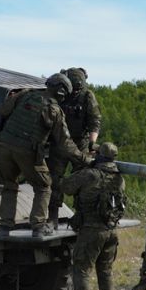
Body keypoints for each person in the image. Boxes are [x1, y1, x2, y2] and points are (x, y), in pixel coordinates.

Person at [0, 73, 90, 239]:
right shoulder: (54, 110)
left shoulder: (25, 95)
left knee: (9, 185)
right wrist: (84, 159)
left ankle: (4, 227)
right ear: (62, 92)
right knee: (44, 186)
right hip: (28, 151)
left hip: (5, 146)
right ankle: (38, 226)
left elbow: (3, 110)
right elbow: (65, 144)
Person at [59, 142, 126, 290]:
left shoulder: (89, 174)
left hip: (91, 230)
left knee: (81, 269)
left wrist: (82, 166)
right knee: (106, 272)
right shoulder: (120, 178)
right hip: (111, 230)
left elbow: (66, 187)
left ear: (99, 156)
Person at [47, 67, 102, 226]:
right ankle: (52, 217)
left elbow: (95, 121)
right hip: (60, 141)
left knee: (83, 179)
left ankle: (80, 216)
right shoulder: (61, 93)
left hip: (80, 142)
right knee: (55, 179)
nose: (75, 92)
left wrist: (91, 143)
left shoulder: (87, 96)